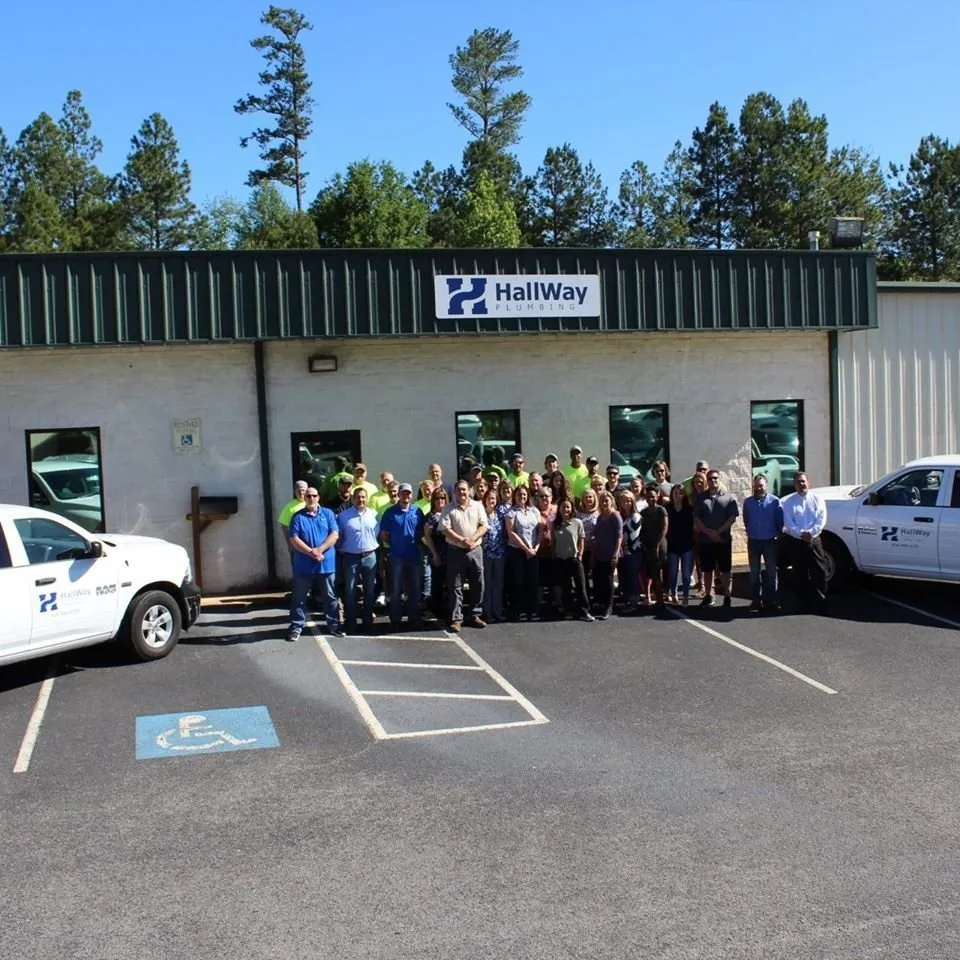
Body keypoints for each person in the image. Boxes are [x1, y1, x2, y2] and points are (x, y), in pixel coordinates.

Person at [287, 487, 342, 641]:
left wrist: (320, 550)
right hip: (304, 564)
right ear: (304, 498)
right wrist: (311, 552)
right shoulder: (297, 517)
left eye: (314, 495)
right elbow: (294, 539)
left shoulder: (328, 514)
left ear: (319, 497)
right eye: (308, 495)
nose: (311, 498)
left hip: (326, 564)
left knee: (330, 596)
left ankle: (334, 625)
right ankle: (296, 627)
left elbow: (334, 534)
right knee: (299, 597)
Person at [441, 480, 488, 631]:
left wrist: (472, 539)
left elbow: (484, 525)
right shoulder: (448, 509)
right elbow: (445, 529)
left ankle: (474, 615)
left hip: (475, 549)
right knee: (455, 585)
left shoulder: (478, 506)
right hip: (456, 550)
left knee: (478, 583)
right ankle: (456, 618)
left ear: (469, 491)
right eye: (459, 490)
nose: (462, 492)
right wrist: (461, 540)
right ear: (455, 492)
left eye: (464, 490)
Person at [781, 473, 829, 614]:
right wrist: (801, 534)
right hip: (797, 542)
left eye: (803, 481)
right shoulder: (789, 502)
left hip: (814, 541)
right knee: (799, 574)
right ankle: (803, 605)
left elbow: (821, 518)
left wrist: (811, 533)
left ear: (808, 482)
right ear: (794, 484)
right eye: (798, 482)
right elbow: (788, 523)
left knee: (819, 573)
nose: (801, 484)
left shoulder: (818, 499)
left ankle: (821, 604)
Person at [380, 482, 425, 629]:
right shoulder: (390, 512)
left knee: (415, 588)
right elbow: (384, 535)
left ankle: (414, 617)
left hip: (414, 555)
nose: (406, 496)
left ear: (411, 495)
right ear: (398, 495)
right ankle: (395, 618)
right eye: (403, 493)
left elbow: (422, 532)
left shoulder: (418, 512)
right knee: (396, 588)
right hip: (396, 556)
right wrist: (394, 544)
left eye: (408, 493)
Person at [693, 468, 739, 609]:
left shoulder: (729, 498)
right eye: (710, 479)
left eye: (715, 478)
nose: (713, 481)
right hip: (705, 541)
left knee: (726, 569)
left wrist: (718, 532)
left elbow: (732, 518)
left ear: (719, 479)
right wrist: (707, 531)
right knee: (707, 569)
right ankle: (708, 595)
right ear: (707, 481)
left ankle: (727, 596)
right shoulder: (700, 498)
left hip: (723, 540)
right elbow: (696, 518)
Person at [337, 488, 380, 633]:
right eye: (357, 497)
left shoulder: (374, 514)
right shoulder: (343, 517)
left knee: (370, 590)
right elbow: (339, 536)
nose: (360, 500)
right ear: (353, 498)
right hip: (350, 557)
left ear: (366, 498)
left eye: (363, 497)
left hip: (370, 557)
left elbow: (377, 533)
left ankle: (367, 622)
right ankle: (351, 622)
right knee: (349, 590)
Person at [742, 473, 784, 613]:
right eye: (756, 485)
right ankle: (756, 601)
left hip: (770, 541)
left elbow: (780, 522)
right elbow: (746, 519)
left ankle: (772, 601)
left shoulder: (775, 501)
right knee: (754, 572)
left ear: (766, 486)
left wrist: (777, 536)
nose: (758, 488)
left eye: (761, 485)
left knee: (772, 573)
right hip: (753, 541)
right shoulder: (747, 502)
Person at [553, 498, 594, 621]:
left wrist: (580, 555)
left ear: (571, 509)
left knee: (581, 587)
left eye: (567, 507)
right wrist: (554, 554)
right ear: (559, 509)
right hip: (561, 559)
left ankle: (584, 611)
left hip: (574, 559)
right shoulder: (556, 525)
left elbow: (581, 540)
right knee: (566, 587)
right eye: (563, 507)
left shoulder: (577, 522)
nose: (565, 509)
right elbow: (554, 541)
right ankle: (568, 610)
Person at [505, 485, 541, 621]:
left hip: (533, 551)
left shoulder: (534, 511)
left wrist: (535, 548)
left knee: (532, 581)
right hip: (517, 551)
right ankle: (519, 610)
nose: (522, 497)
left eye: (524, 494)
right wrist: (526, 549)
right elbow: (511, 532)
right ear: (515, 496)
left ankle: (532, 610)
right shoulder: (511, 512)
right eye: (519, 494)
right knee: (518, 581)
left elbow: (539, 530)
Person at [592, 491, 623, 620]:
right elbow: (597, 537)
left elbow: (619, 536)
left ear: (611, 501)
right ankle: (603, 603)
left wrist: (615, 554)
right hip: (600, 553)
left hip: (611, 553)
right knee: (601, 579)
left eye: (607, 500)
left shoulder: (615, 516)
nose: (604, 503)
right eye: (602, 500)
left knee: (609, 580)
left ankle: (609, 606)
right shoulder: (599, 517)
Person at [639, 485, 669, 613]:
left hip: (660, 545)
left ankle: (661, 601)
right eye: (648, 497)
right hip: (648, 545)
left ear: (657, 497)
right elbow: (642, 530)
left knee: (657, 573)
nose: (651, 499)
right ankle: (657, 599)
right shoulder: (644, 512)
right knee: (652, 573)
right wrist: (645, 545)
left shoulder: (661, 510)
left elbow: (664, 528)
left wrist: (657, 545)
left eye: (653, 496)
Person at [422, 487, 450, 621]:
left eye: (443, 498)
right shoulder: (430, 516)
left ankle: (449, 610)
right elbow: (427, 537)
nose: (440, 501)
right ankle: (436, 610)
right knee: (437, 583)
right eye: (437, 498)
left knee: (450, 584)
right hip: (437, 553)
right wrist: (435, 555)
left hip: (451, 553)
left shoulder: (450, 513)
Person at [665, 484, 694, 606]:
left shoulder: (689, 509)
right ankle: (674, 594)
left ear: (684, 495)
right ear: (672, 494)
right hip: (672, 545)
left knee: (686, 574)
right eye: (675, 493)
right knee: (672, 573)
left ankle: (686, 596)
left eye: (680, 493)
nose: (677, 495)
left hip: (687, 545)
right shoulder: (667, 508)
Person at [481, 488, 506, 623]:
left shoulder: (500, 514)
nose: (491, 501)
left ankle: (497, 611)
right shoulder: (481, 514)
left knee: (498, 584)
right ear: (485, 499)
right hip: (485, 554)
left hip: (499, 554)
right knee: (487, 584)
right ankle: (487, 612)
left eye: (493, 499)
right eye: (489, 498)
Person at [618, 491, 644, 611]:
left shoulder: (635, 516)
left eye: (628, 500)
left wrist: (624, 546)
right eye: (624, 500)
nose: (626, 503)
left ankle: (634, 603)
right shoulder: (621, 516)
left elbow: (634, 536)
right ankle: (629, 600)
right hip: (624, 552)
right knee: (627, 576)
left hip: (634, 552)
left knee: (633, 576)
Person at [278, 480, 308, 569]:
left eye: (303, 490)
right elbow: (284, 526)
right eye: (299, 490)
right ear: (294, 491)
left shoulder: (312, 503)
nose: (301, 493)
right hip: (297, 546)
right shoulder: (289, 507)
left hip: (312, 545)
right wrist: (289, 544)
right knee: (299, 571)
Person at [577, 488, 600, 600]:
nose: (588, 499)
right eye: (586, 497)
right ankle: (586, 599)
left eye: (590, 497)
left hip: (596, 548)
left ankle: (597, 598)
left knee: (596, 575)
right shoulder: (578, 514)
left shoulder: (599, 512)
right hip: (583, 548)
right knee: (584, 575)